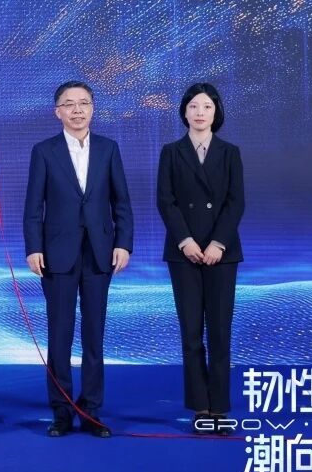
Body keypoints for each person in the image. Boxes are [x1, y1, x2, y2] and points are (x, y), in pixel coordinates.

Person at [23, 80, 134, 438]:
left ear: (92, 108)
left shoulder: (108, 148)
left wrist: (124, 244)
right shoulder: (44, 151)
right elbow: (33, 207)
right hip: (56, 255)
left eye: (83, 103)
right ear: (57, 111)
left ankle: (91, 410)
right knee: (59, 335)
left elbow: (121, 202)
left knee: (94, 335)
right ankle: (61, 411)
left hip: (100, 252)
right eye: (69, 104)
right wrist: (34, 247)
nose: (77, 110)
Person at [156, 82, 245, 435]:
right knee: (191, 333)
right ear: (184, 111)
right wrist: (186, 241)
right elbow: (166, 201)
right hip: (184, 254)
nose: (199, 112)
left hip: (222, 254)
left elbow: (235, 202)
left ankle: (219, 407)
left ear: (216, 112)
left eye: (206, 106)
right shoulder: (171, 152)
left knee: (220, 331)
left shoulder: (230, 152)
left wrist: (218, 243)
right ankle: (200, 406)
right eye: (193, 106)